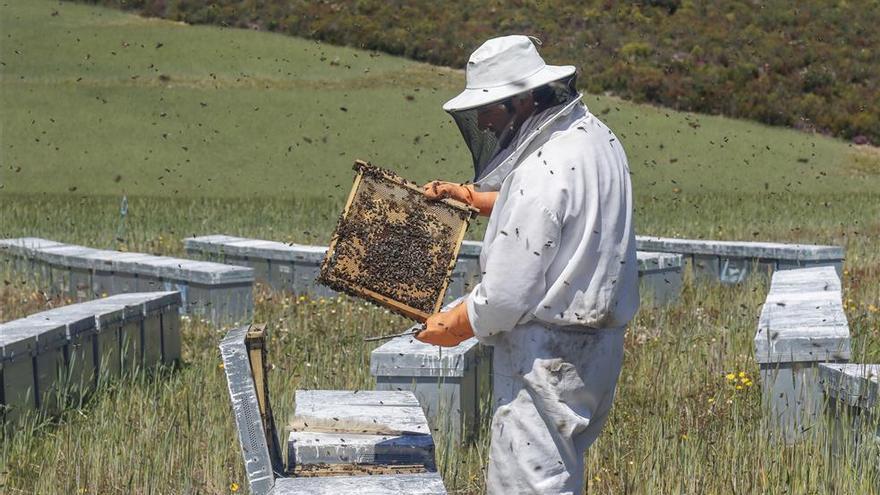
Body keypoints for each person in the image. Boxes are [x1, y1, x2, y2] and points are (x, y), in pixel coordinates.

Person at [415, 35, 639, 494]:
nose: (482, 119)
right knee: (561, 479)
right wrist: (476, 200)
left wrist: (454, 325)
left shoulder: (541, 170)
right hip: (596, 349)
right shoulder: (598, 139)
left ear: (521, 100)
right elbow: (571, 210)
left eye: (490, 106)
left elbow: (505, 296)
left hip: (545, 357)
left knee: (527, 487)